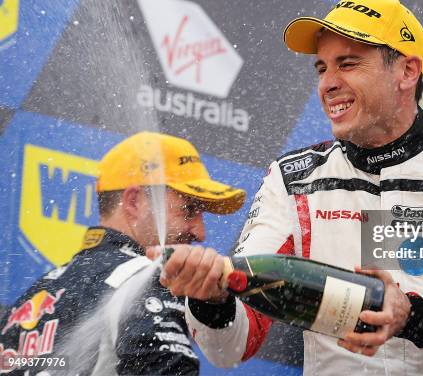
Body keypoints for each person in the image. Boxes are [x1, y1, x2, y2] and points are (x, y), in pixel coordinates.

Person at [156, 0, 423, 375]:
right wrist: (212, 300)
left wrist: (415, 319)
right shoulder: (293, 179)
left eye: (347, 64)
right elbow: (234, 347)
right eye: (322, 68)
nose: (328, 83)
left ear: (406, 72)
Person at [0, 132, 245, 375]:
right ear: (134, 202)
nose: (200, 233)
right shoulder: (148, 278)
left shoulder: (34, 297)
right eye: (189, 209)